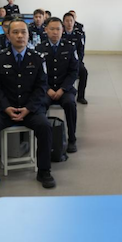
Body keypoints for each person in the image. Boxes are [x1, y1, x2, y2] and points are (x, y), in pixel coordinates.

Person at [0, 19, 56, 189]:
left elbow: (41, 87)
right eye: (15, 32)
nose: (20, 36)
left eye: (23, 32)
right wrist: (5, 107)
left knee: (45, 127)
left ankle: (44, 171)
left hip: (30, 109)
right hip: (6, 108)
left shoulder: (38, 58)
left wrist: (29, 108)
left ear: (28, 35)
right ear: (8, 35)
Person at [36, 18, 80, 153]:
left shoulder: (70, 47)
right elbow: (37, 74)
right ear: (46, 30)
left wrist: (62, 89)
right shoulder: (39, 48)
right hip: (46, 89)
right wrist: (48, 89)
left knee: (70, 104)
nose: (55, 32)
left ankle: (72, 138)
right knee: (39, 105)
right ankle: (43, 140)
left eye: (58, 29)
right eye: (52, 29)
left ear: (62, 30)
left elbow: (74, 72)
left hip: (65, 89)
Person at [63, 12, 88, 104]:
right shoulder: (60, 34)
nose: (69, 23)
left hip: (75, 61)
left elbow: (81, 51)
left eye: (71, 21)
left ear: (74, 22)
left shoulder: (78, 35)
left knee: (83, 72)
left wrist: (77, 62)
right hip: (62, 61)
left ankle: (81, 96)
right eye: (67, 21)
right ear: (63, 22)